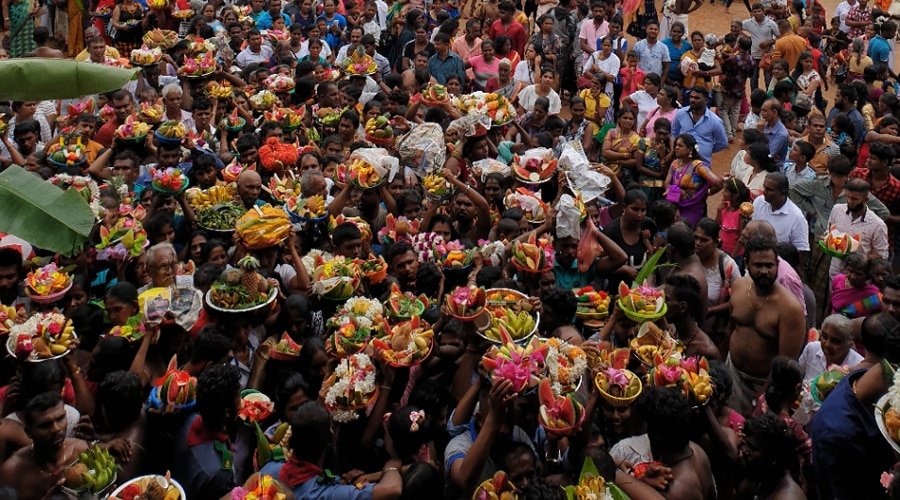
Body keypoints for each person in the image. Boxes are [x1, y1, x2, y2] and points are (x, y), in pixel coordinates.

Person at [727, 236, 806, 416]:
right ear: (746, 264)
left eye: (769, 266)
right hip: (732, 372)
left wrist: (762, 399)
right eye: (758, 265)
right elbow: (730, 330)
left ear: (777, 265)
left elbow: (784, 365)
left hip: (760, 385)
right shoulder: (739, 287)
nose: (764, 271)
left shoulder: (790, 309)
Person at [0, 393, 89, 499]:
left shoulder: (81, 451)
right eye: (45, 425)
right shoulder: (12, 472)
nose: (56, 429)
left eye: (60, 418)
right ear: (29, 432)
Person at [826, 178, 889, 278]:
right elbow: (829, 231)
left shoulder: (878, 224)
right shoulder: (837, 209)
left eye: (855, 199)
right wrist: (828, 241)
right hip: (835, 271)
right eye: (848, 197)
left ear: (865, 200)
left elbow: (881, 255)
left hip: (858, 277)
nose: (850, 201)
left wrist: (859, 258)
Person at [738, 414, 805, 499]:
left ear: (774, 458)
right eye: (745, 444)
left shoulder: (786, 497)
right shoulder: (758, 476)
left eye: (752, 448)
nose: (743, 452)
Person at [665, 133, 722, 227]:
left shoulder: (698, 166)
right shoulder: (675, 164)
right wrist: (676, 190)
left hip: (693, 209)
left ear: (690, 150)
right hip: (675, 206)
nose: (676, 148)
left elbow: (718, 184)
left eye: (680, 145)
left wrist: (706, 193)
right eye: (676, 145)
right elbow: (667, 183)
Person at [751, 172, 810, 257]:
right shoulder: (759, 202)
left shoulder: (797, 218)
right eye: (764, 187)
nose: (764, 192)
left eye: (770, 189)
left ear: (783, 192)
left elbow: (801, 251)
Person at [670, 86, 728, 164]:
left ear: (706, 100)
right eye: (691, 97)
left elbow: (722, 143)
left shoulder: (715, 121)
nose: (692, 100)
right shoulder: (681, 113)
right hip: (681, 163)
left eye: (697, 98)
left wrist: (707, 148)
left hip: (702, 164)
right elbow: (674, 132)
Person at [742, 3, 779, 91]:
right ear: (752, 13)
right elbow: (737, 28)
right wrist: (747, 38)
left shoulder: (771, 24)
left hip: (767, 56)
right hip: (754, 55)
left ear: (763, 11)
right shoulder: (748, 23)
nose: (757, 13)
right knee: (753, 79)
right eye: (755, 11)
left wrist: (769, 42)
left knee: (768, 79)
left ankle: (768, 101)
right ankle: (755, 100)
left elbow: (779, 36)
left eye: (759, 11)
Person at [632, 20, 670, 84]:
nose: (653, 31)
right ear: (646, 30)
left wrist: (661, 83)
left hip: (656, 82)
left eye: (655, 29)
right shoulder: (638, 45)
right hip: (640, 81)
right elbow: (633, 63)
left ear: (658, 31)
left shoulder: (663, 47)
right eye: (651, 29)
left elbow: (666, 67)